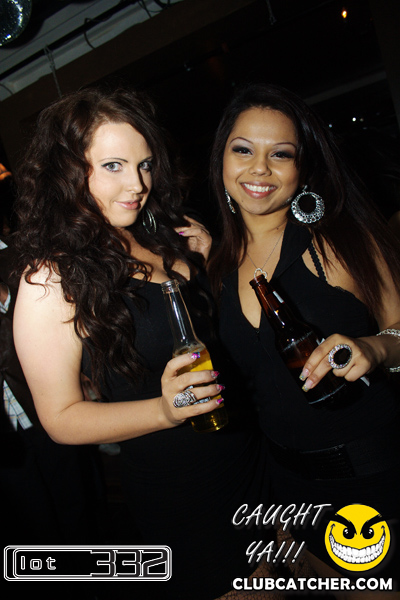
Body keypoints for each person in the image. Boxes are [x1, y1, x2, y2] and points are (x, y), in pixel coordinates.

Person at [12, 85, 279, 600]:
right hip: (186, 491)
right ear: (68, 172)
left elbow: (224, 335)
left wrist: (215, 264)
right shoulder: (49, 278)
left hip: (254, 456)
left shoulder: (163, 233)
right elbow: (60, 419)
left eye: (145, 164)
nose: (137, 184)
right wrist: (163, 410)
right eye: (113, 166)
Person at [208, 83, 400, 598]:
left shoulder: (339, 242)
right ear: (222, 159)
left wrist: (375, 348)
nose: (259, 169)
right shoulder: (217, 267)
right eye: (243, 149)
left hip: (371, 483)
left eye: (281, 154)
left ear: (302, 168)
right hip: (288, 492)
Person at [1, 234, 106, 547]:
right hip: (5, 432)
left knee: (76, 502)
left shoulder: (21, 251)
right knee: (28, 520)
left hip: (43, 404)